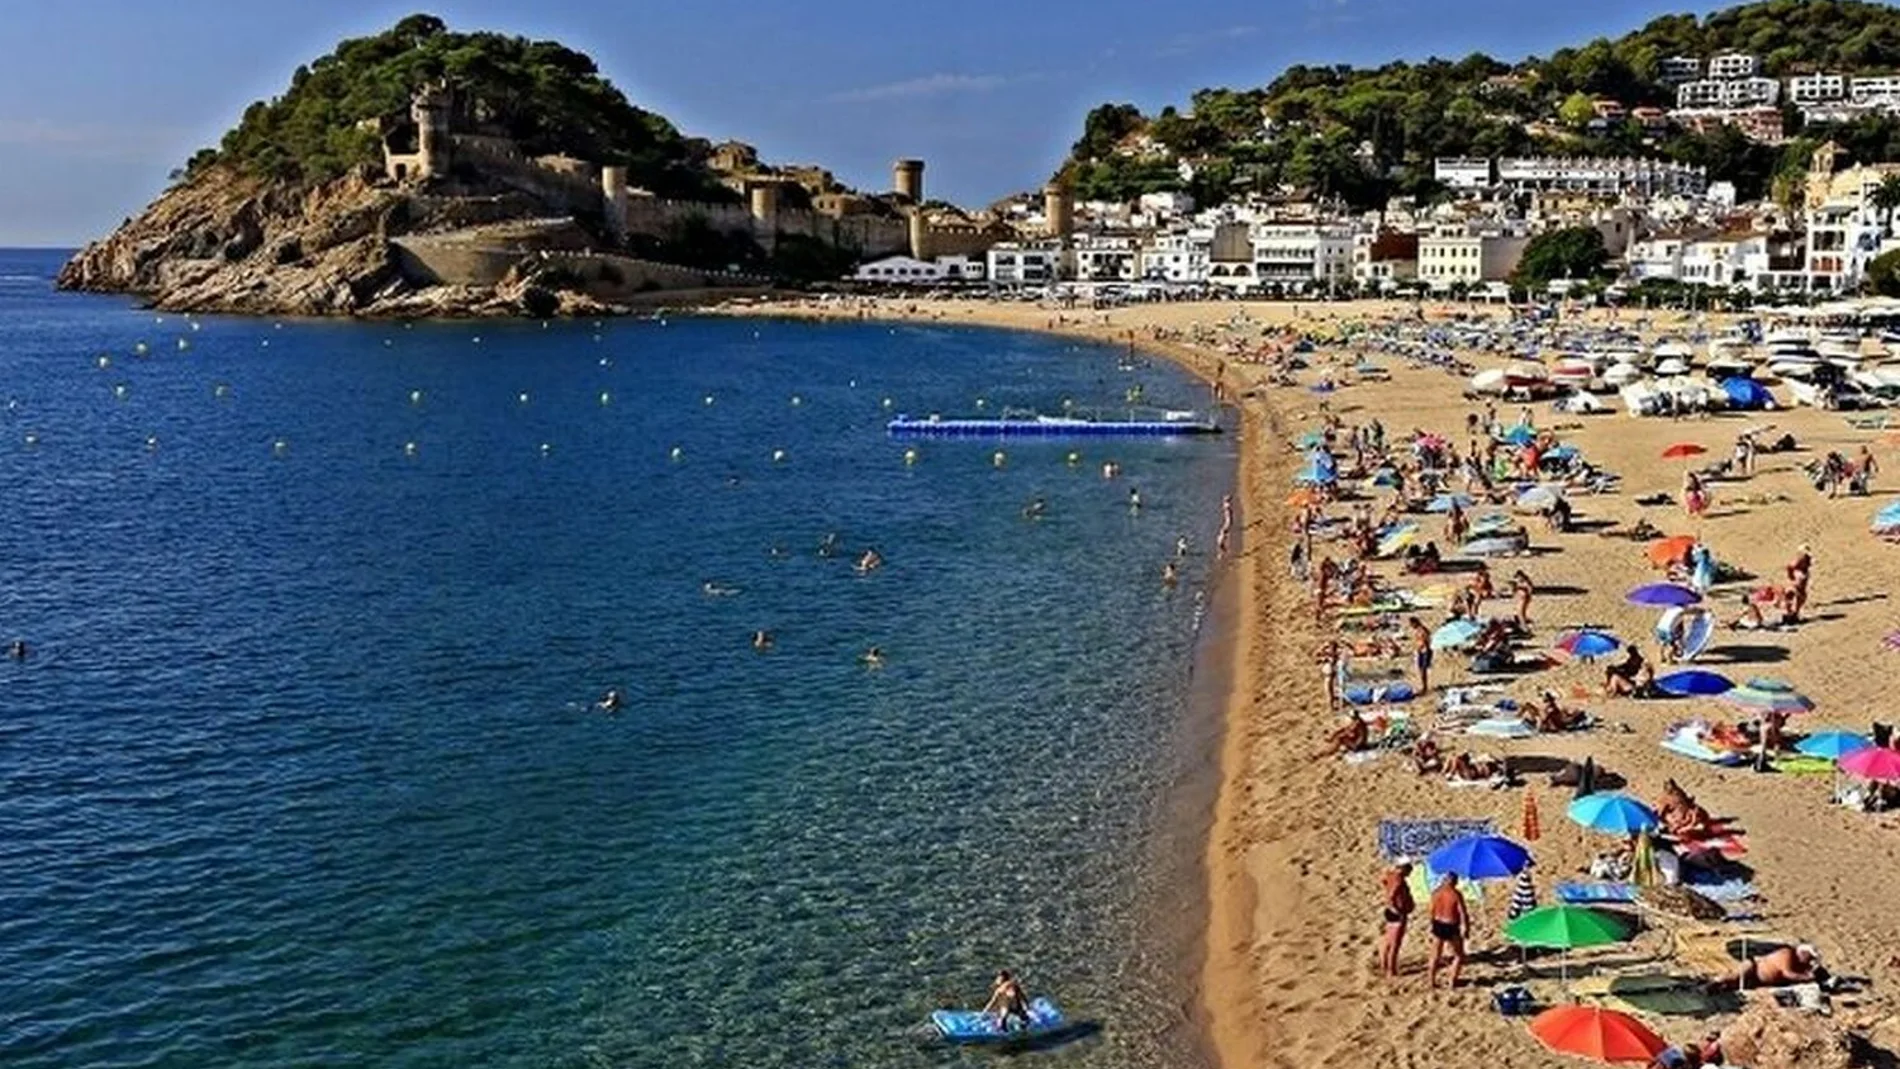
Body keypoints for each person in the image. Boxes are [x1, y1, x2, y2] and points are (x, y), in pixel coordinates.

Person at [1705, 944, 1825, 993]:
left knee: (1734, 987)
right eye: (1809, 958)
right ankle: (1714, 982)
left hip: (1759, 981)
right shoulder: (1787, 954)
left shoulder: (1802, 964)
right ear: (1802, 953)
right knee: (1735, 976)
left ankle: (1718, 988)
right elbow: (1787, 973)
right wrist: (1808, 977)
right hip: (1754, 967)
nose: (1810, 961)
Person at [1427, 872, 1469, 989]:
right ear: (1454, 881)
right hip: (1451, 925)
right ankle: (1451, 981)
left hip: (1438, 924)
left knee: (1435, 955)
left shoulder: (1436, 893)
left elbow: (1431, 911)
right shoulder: (1455, 894)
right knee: (1458, 955)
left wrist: (1432, 925)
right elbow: (1462, 913)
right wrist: (1466, 927)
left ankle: (1431, 981)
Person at [1380, 861, 1416, 978]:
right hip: (1398, 912)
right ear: (1404, 869)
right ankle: (1391, 970)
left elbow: (1383, 881)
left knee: (1387, 940)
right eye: (1409, 872)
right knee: (1395, 944)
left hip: (1389, 911)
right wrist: (1395, 907)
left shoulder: (1389, 875)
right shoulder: (1399, 879)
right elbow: (1392, 894)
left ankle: (1384, 965)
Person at [1407, 616, 1433, 694]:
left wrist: (1421, 647)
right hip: (1421, 651)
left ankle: (1424, 687)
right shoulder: (1419, 630)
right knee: (1421, 669)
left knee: (1423, 670)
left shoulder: (1422, 630)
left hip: (1425, 651)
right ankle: (1424, 686)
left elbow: (1425, 641)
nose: (1411, 626)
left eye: (1411, 624)